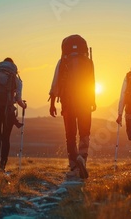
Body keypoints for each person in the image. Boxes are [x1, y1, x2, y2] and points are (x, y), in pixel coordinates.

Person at [49, 34, 96, 179]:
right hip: (84, 101)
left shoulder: (62, 61)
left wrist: (52, 103)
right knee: (84, 132)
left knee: (70, 134)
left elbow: (55, 82)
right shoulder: (88, 61)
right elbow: (92, 82)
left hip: (67, 102)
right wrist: (93, 100)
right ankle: (82, 157)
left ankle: (74, 165)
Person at [0, 58, 27, 172]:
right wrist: (23, 106)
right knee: (6, 138)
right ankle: (3, 165)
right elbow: (18, 99)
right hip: (8, 112)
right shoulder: (16, 80)